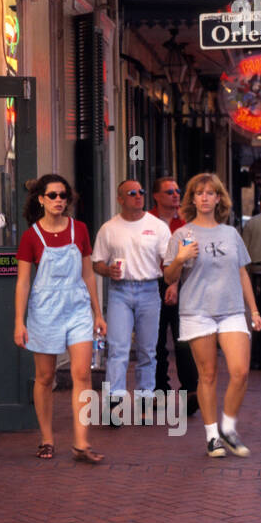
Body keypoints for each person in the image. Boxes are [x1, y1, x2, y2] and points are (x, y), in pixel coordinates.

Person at [163, 173, 261, 458]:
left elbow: (242, 272)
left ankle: (229, 428)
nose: (205, 197)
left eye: (211, 193)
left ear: (219, 198)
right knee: (207, 375)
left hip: (231, 309)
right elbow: (169, 275)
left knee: (240, 372)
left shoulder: (231, 234)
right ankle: (212, 436)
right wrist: (181, 259)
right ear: (192, 199)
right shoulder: (181, 235)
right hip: (197, 311)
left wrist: (253, 310)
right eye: (199, 193)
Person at [14, 174, 107, 462]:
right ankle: (47, 438)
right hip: (44, 311)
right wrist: (20, 320)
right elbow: (23, 282)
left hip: (77, 309)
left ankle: (81, 442)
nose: (58, 201)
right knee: (45, 377)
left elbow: (88, 273)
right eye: (52, 195)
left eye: (63, 196)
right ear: (40, 199)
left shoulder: (79, 230)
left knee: (82, 373)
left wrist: (97, 312)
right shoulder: (31, 236)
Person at [90, 180, 171, 421]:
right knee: (118, 349)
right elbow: (97, 263)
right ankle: (114, 404)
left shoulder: (157, 227)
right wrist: (108, 271)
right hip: (120, 291)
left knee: (148, 350)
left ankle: (145, 402)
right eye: (132, 193)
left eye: (141, 192)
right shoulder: (109, 228)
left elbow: (169, 262)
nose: (138, 196)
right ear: (120, 199)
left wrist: (173, 284)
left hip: (149, 289)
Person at [151, 176, 198, 414]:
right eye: (169, 192)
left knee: (184, 341)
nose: (175, 195)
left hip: (182, 286)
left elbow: (189, 256)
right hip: (151, 285)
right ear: (156, 196)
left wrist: (175, 284)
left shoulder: (186, 224)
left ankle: (190, 391)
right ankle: (159, 390)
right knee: (156, 341)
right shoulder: (145, 221)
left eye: (177, 191)